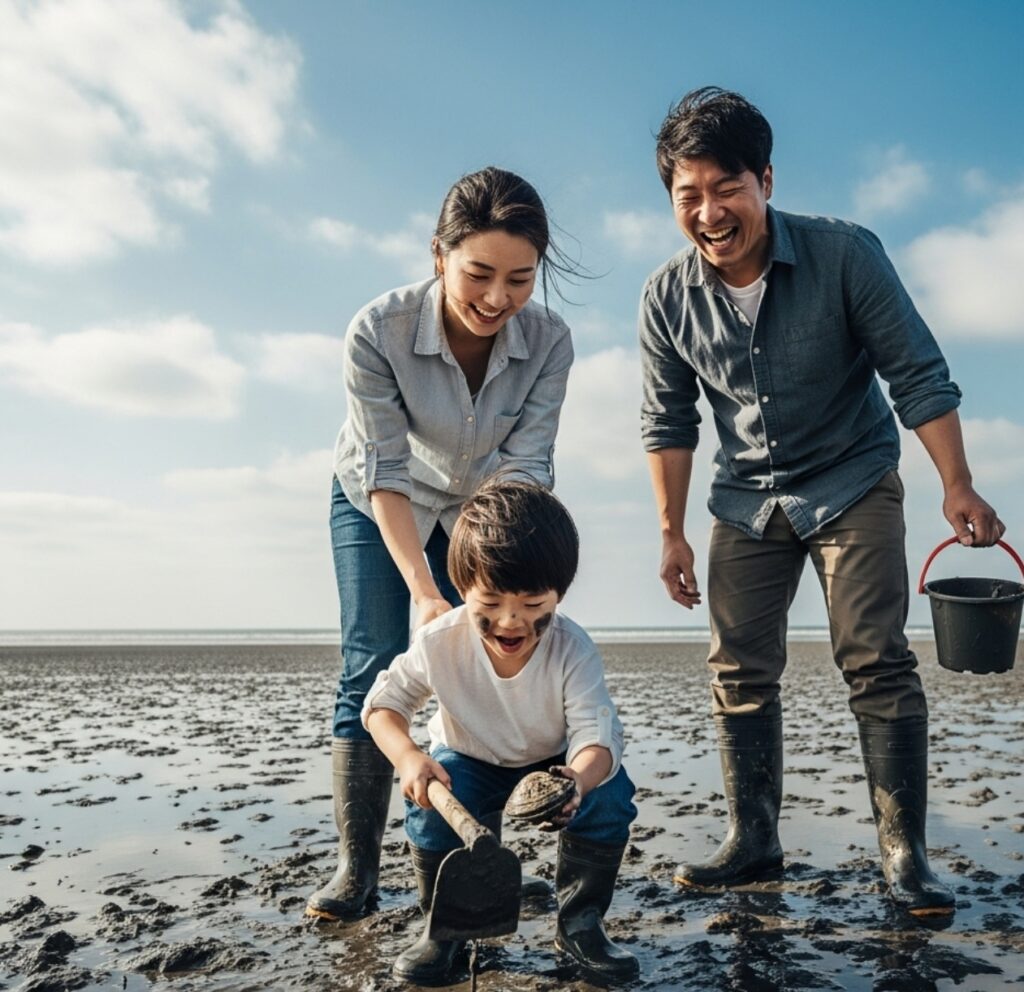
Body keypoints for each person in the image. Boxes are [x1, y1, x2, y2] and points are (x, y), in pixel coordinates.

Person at [638, 87, 1004, 916]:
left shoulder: (845, 254)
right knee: (737, 669)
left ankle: (904, 852)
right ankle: (753, 838)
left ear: (765, 180)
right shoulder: (665, 298)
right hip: (745, 498)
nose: (709, 212)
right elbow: (667, 422)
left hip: (851, 477)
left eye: (727, 188)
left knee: (875, 657)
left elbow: (916, 372)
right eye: (688, 195)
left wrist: (956, 482)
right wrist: (670, 533)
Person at [306, 168, 577, 922]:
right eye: (478, 274)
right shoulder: (378, 330)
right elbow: (384, 471)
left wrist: (501, 574)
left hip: (481, 507)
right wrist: (426, 592)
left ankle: (479, 858)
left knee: (488, 660)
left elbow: (526, 467)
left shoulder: (550, 342)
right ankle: (357, 869)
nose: (497, 298)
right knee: (372, 659)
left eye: (520, 280)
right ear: (439, 255)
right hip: (378, 498)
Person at [362, 479, 639, 985]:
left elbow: (597, 737)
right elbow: (382, 706)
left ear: (559, 593)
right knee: (431, 808)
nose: (511, 622)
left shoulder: (573, 649)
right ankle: (444, 931)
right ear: (462, 587)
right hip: (467, 760)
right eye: (489, 602)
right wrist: (408, 757)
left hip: (554, 764)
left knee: (610, 796)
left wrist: (577, 781)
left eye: (533, 605)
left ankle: (580, 925)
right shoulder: (440, 641)